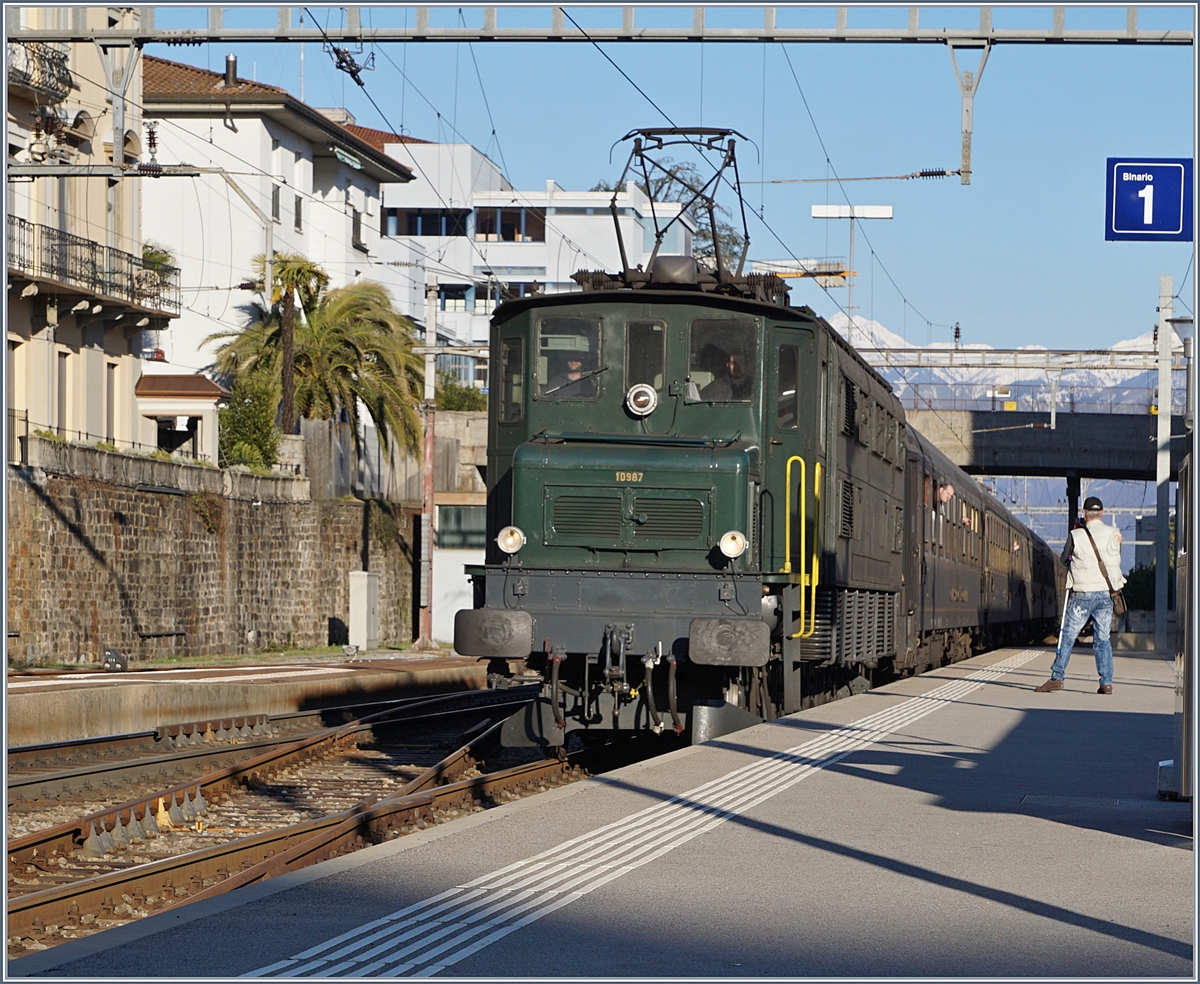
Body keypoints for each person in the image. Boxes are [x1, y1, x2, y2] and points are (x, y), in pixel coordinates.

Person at [1034, 496, 1125, 695]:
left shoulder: (1075, 535)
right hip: (1105, 594)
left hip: (1082, 594)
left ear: (1084, 515)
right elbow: (1116, 558)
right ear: (1102, 513)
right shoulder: (1114, 534)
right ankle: (1106, 682)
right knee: (1102, 638)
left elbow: (1064, 560)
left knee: (1067, 635)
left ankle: (1057, 677)